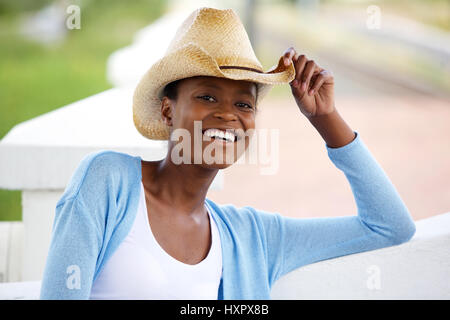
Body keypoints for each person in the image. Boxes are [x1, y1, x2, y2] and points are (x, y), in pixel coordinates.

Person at [40, 7, 416, 300]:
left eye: (244, 104)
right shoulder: (107, 182)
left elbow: (389, 226)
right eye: (207, 96)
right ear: (168, 110)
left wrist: (325, 118)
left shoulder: (252, 237)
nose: (227, 115)